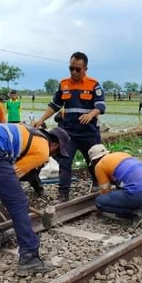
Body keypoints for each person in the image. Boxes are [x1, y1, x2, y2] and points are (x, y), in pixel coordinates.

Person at [0, 123, 69, 274]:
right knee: (18, 202)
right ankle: (29, 257)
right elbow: (14, 173)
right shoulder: (43, 149)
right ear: (54, 144)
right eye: (55, 152)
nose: (50, 157)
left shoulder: (29, 133)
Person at [33, 52, 106, 203]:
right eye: (71, 68)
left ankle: (98, 185)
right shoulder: (64, 84)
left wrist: (92, 114)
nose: (74, 72)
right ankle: (63, 195)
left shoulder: (93, 84)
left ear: (85, 68)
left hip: (88, 133)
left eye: (77, 69)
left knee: (93, 161)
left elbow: (101, 105)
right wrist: (41, 119)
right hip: (69, 133)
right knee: (65, 163)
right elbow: (55, 105)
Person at [88, 144, 142, 226]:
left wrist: (101, 206)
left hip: (140, 194)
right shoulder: (123, 154)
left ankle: (136, 212)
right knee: (122, 194)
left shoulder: (100, 165)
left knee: (100, 201)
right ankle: (135, 206)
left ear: (95, 160)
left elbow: (105, 190)